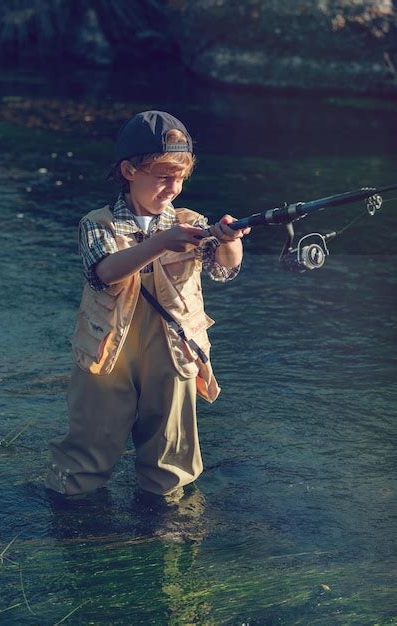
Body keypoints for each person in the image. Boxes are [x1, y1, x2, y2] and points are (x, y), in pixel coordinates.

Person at [45, 110, 250, 498]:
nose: (173, 188)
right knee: (86, 455)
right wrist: (159, 243)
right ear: (129, 170)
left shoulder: (192, 222)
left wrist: (230, 240)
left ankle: (167, 530)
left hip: (174, 354)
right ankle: (74, 526)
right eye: (163, 176)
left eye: (180, 178)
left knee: (171, 457)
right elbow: (105, 273)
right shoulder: (97, 223)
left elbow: (225, 271)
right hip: (107, 355)